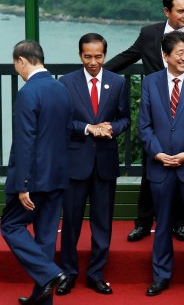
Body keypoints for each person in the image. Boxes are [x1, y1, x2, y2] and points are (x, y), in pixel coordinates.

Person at [105, 0, 184, 242]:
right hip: (156, 120)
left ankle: (179, 222)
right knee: (150, 172)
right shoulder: (149, 33)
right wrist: (96, 72)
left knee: (183, 172)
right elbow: (128, 57)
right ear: (167, 11)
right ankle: (143, 222)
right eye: (181, 10)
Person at [139, 31, 184, 298]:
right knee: (162, 226)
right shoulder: (150, 83)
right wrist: (157, 153)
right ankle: (161, 276)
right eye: (179, 53)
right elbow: (144, 126)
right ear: (166, 56)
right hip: (160, 166)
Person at [56, 33, 130, 296]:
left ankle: (96, 273)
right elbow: (63, 122)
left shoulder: (118, 82)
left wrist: (112, 127)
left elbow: (125, 119)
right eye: (88, 56)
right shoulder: (66, 83)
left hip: (105, 164)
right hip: (75, 164)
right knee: (71, 223)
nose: (93, 62)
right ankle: (68, 273)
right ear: (80, 56)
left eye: (98, 56)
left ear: (105, 55)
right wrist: (88, 128)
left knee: (102, 223)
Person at [1, 40, 72, 305]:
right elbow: (65, 134)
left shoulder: (29, 92)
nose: (16, 69)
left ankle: (51, 273)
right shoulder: (61, 88)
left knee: (10, 225)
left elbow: (24, 141)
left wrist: (23, 184)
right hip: (57, 176)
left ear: (22, 60)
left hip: (33, 179)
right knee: (44, 237)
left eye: (15, 64)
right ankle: (42, 301)